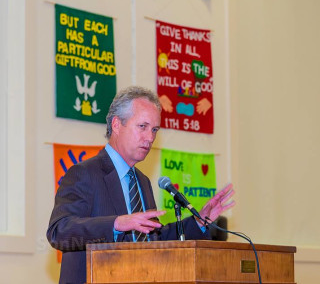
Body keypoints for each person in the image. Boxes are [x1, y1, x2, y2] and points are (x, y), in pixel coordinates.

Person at [47, 86, 235, 284]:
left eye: (154, 130)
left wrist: (198, 222)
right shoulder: (84, 173)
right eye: (142, 127)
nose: (150, 138)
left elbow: (153, 241)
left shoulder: (142, 181)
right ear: (117, 124)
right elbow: (60, 232)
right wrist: (116, 224)